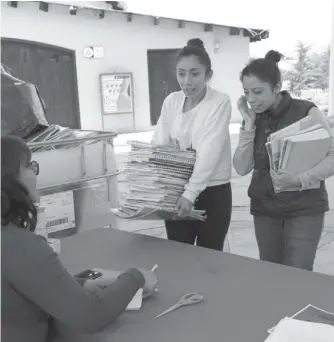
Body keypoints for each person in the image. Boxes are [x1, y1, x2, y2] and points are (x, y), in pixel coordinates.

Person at [1, 135, 158, 342]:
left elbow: (26, 286)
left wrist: (81, 284)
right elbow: (89, 315)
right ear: (11, 178)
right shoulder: (20, 245)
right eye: (30, 166)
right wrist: (137, 277)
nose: (35, 172)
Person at [233, 50, 334, 271]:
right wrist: (249, 125)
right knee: (272, 274)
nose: (251, 100)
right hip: (265, 210)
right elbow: (241, 167)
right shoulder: (253, 117)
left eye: (258, 92)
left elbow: (332, 156)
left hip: (304, 209)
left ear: (277, 87)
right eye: (247, 93)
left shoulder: (306, 111)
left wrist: (300, 179)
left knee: (298, 275)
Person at [152, 38, 232, 251]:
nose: (187, 81)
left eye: (195, 73)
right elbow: (160, 143)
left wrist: (191, 192)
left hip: (212, 190)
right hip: (177, 188)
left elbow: (209, 150)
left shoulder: (219, 102)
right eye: (181, 73)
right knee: (179, 253)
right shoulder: (172, 101)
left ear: (208, 75)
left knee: (209, 258)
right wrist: (158, 183)